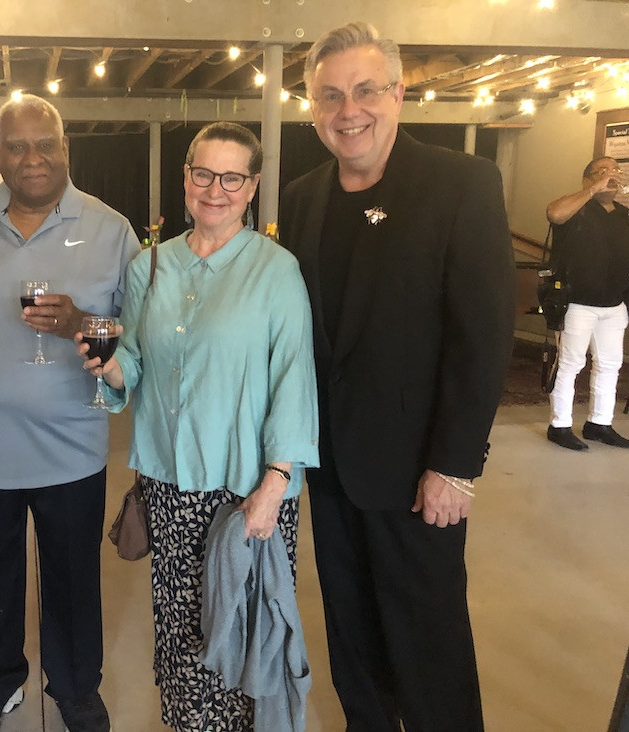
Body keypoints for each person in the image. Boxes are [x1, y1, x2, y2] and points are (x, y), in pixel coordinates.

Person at [279, 22, 515, 731]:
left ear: (399, 94)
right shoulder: (301, 197)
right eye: (330, 96)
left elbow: (484, 335)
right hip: (333, 468)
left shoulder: (462, 184)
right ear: (313, 109)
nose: (348, 110)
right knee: (353, 638)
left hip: (420, 474)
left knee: (428, 645)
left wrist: (456, 465)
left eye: (364, 90)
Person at [83, 121, 320, 732]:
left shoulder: (276, 270)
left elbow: (295, 377)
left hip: (248, 491)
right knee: (183, 630)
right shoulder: (150, 268)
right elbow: (132, 365)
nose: (215, 189)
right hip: (168, 483)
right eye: (202, 173)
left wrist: (275, 483)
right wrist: (107, 363)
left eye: (231, 176)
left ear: (252, 185)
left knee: (241, 627)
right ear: (185, 178)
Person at [0, 94, 139, 732]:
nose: (34, 158)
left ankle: (77, 688)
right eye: (17, 145)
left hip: (73, 444)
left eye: (46, 143)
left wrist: (85, 322)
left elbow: (142, 336)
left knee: (74, 579)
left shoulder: (112, 230)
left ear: (66, 150)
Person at [544, 156, 629, 450]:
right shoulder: (577, 208)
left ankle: (599, 423)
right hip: (577, 304)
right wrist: (593, 191)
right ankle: (560, 425)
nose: (611, 175)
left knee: (609, 365)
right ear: (587, 180)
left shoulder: (623, 215)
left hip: (614, 306)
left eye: (615, 170)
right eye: (601, 171)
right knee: (570, 364)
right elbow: (554, 213)